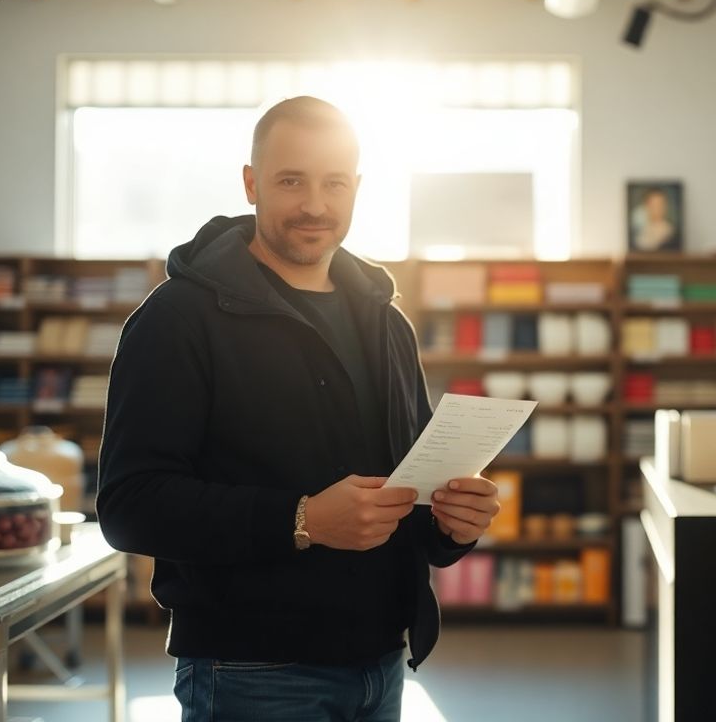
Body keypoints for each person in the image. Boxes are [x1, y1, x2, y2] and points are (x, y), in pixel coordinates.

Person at [96, 96, 500, 722]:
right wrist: (302, 519)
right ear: (251, 183)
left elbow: (409, 494)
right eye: (291, 181)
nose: (315, 204)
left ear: (356, 188)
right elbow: (130, 507)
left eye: (334, 183)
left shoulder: (386, 322)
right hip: (251, 671)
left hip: (383, 662)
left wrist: (453, 523)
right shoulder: (177, 320)